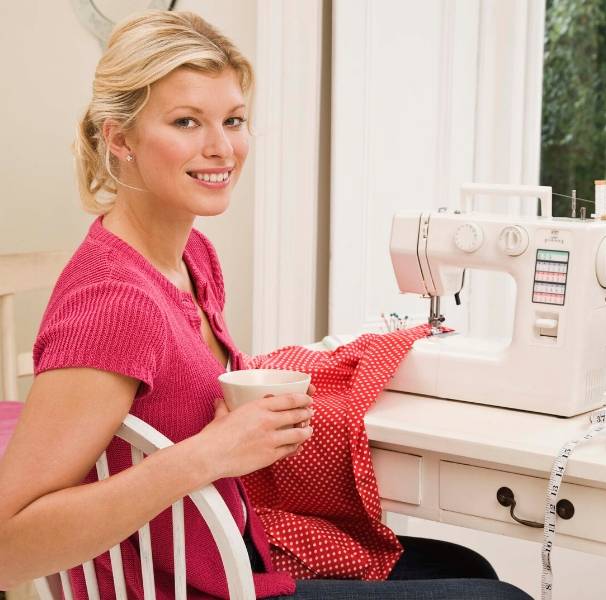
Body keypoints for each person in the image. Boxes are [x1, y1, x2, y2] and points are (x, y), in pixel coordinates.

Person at [0, 10, 532, 600]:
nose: (221, 148)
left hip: (232, 554)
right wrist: (208, 455)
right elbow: (8, 544)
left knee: (469, 568)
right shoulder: (113, 302)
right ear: (119, 138)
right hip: (187, 589)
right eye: (186, 121)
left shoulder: (192, 257)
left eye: (233, 120)